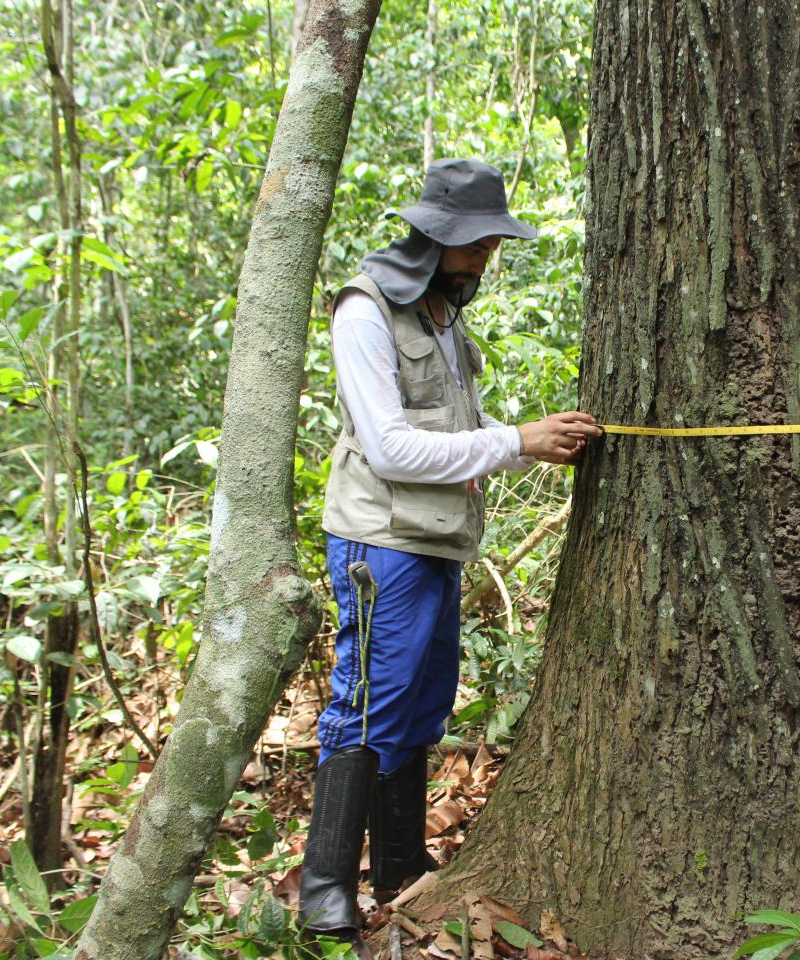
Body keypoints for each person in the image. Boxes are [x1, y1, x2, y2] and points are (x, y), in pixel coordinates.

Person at [299, 158, 601, 941]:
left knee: (424, 699)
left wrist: (521, 439)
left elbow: (451, 429)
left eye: (489, 249)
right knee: (369, 698)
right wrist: (518, 443)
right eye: (472, 247)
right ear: (432, 236)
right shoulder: (365, 313)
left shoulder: (443, 315)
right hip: (380, 541)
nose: (481, 262)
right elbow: (393, 449)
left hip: (435, 544)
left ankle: (400, 869)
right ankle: (326, 884)